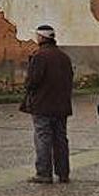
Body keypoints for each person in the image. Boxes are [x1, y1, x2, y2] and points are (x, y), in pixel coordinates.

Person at [20, 24, 73, 184]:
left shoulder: (40, 56)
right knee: (61, 139)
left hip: (43, 105)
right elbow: (70, 79)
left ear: (41, 38)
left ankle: (44, 173)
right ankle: (63, 173)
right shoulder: (64, 57)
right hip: (61, 105)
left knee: (43, 138)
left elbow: (32, 82)